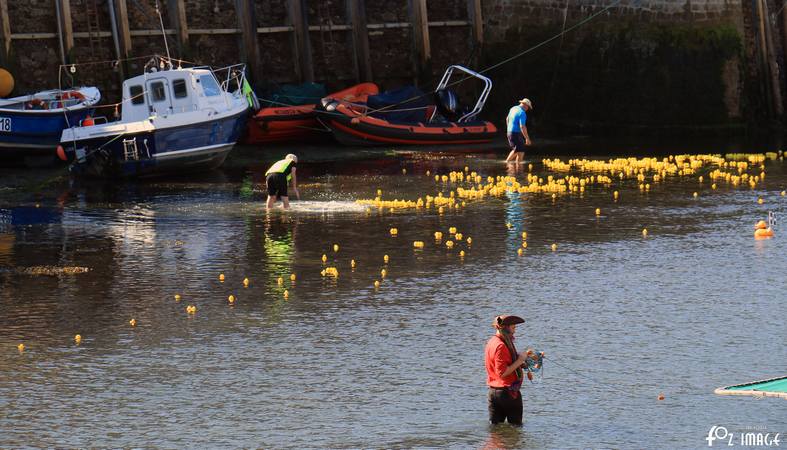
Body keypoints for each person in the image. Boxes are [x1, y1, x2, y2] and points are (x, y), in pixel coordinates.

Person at [485, 314, 531, 426]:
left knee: (495, 428)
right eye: (513, 328)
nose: (515, 331)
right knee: (516, 428)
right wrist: (520, 360)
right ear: (505, 327)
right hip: (508, 392)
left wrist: (522, 362)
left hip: (493, 392)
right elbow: (502, 373)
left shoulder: (492, 342)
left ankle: (497, 444)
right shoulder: (501, 345)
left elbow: (506, 363)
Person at [505, 98, 533, 164]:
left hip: (510, 132)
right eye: (528, 107)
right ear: (525, 105)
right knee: (517, 150)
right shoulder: (522, 113)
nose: (527, 109)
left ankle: (518, 167)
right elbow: (522, 126)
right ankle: (507, 162)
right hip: (515, 133)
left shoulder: (513, 108)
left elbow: (507, 119)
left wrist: (508, 129)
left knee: (521, 150)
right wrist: (527, 138)